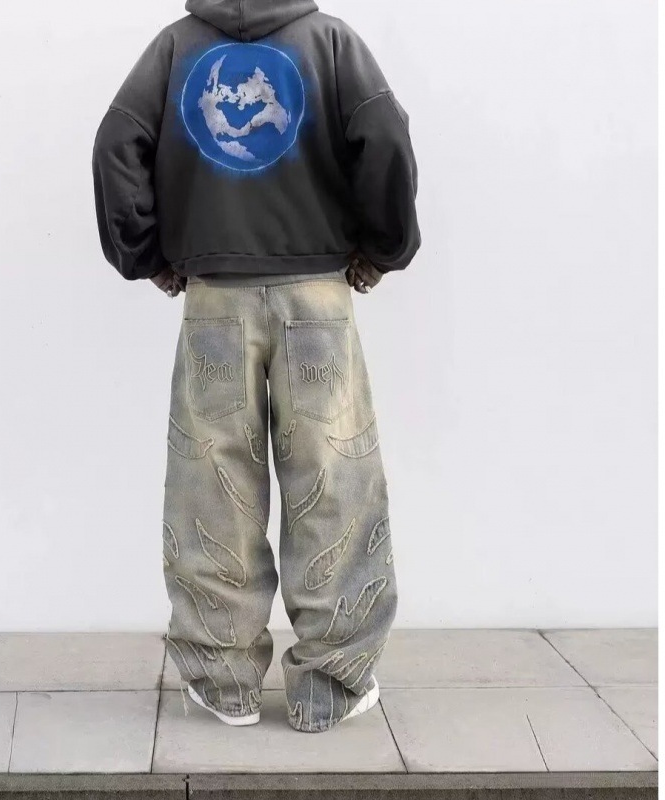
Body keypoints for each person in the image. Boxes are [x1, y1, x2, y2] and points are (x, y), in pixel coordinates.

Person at [92, 0, 421, 733]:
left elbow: (117, 142)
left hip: (214, 300)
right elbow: (385, 136)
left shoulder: (174, 48)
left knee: (211, 489)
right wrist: (382, 248)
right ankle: (328, 688)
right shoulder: (332, 42)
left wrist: (149, 255)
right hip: (319, 300)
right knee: (335, 486)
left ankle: (224, 684)